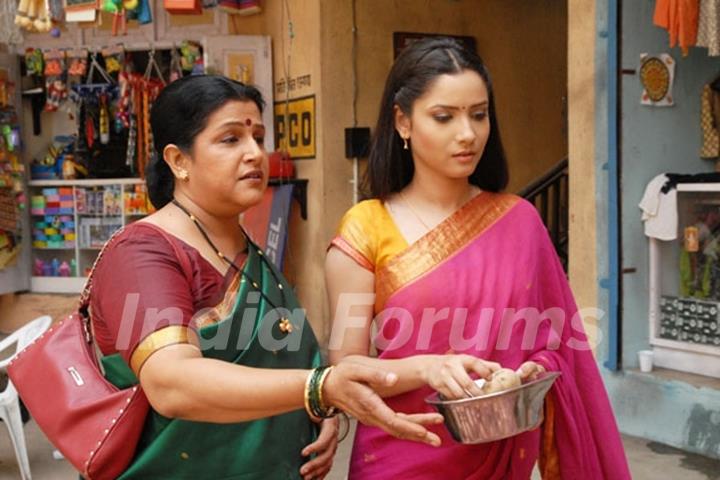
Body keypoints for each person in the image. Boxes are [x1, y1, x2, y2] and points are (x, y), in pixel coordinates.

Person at [89, 74, 443, 480]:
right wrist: (318, 389)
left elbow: (292, 354)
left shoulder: (242, 247)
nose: (255, 153)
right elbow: (172, 383)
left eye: (258, 137)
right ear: (178, 161)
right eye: (230, 139)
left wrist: (322, 410)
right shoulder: (143, 254)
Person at [325, 38, 631, 479]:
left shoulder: (519, 221)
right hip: (401, 450)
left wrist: (535, 371)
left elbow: (558, 345)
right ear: (403, 122)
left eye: (479, 114)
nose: (468, 133)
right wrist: (431, 367)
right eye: (444, 117)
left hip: (498, 450)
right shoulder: (366, 227)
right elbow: (348, 368)